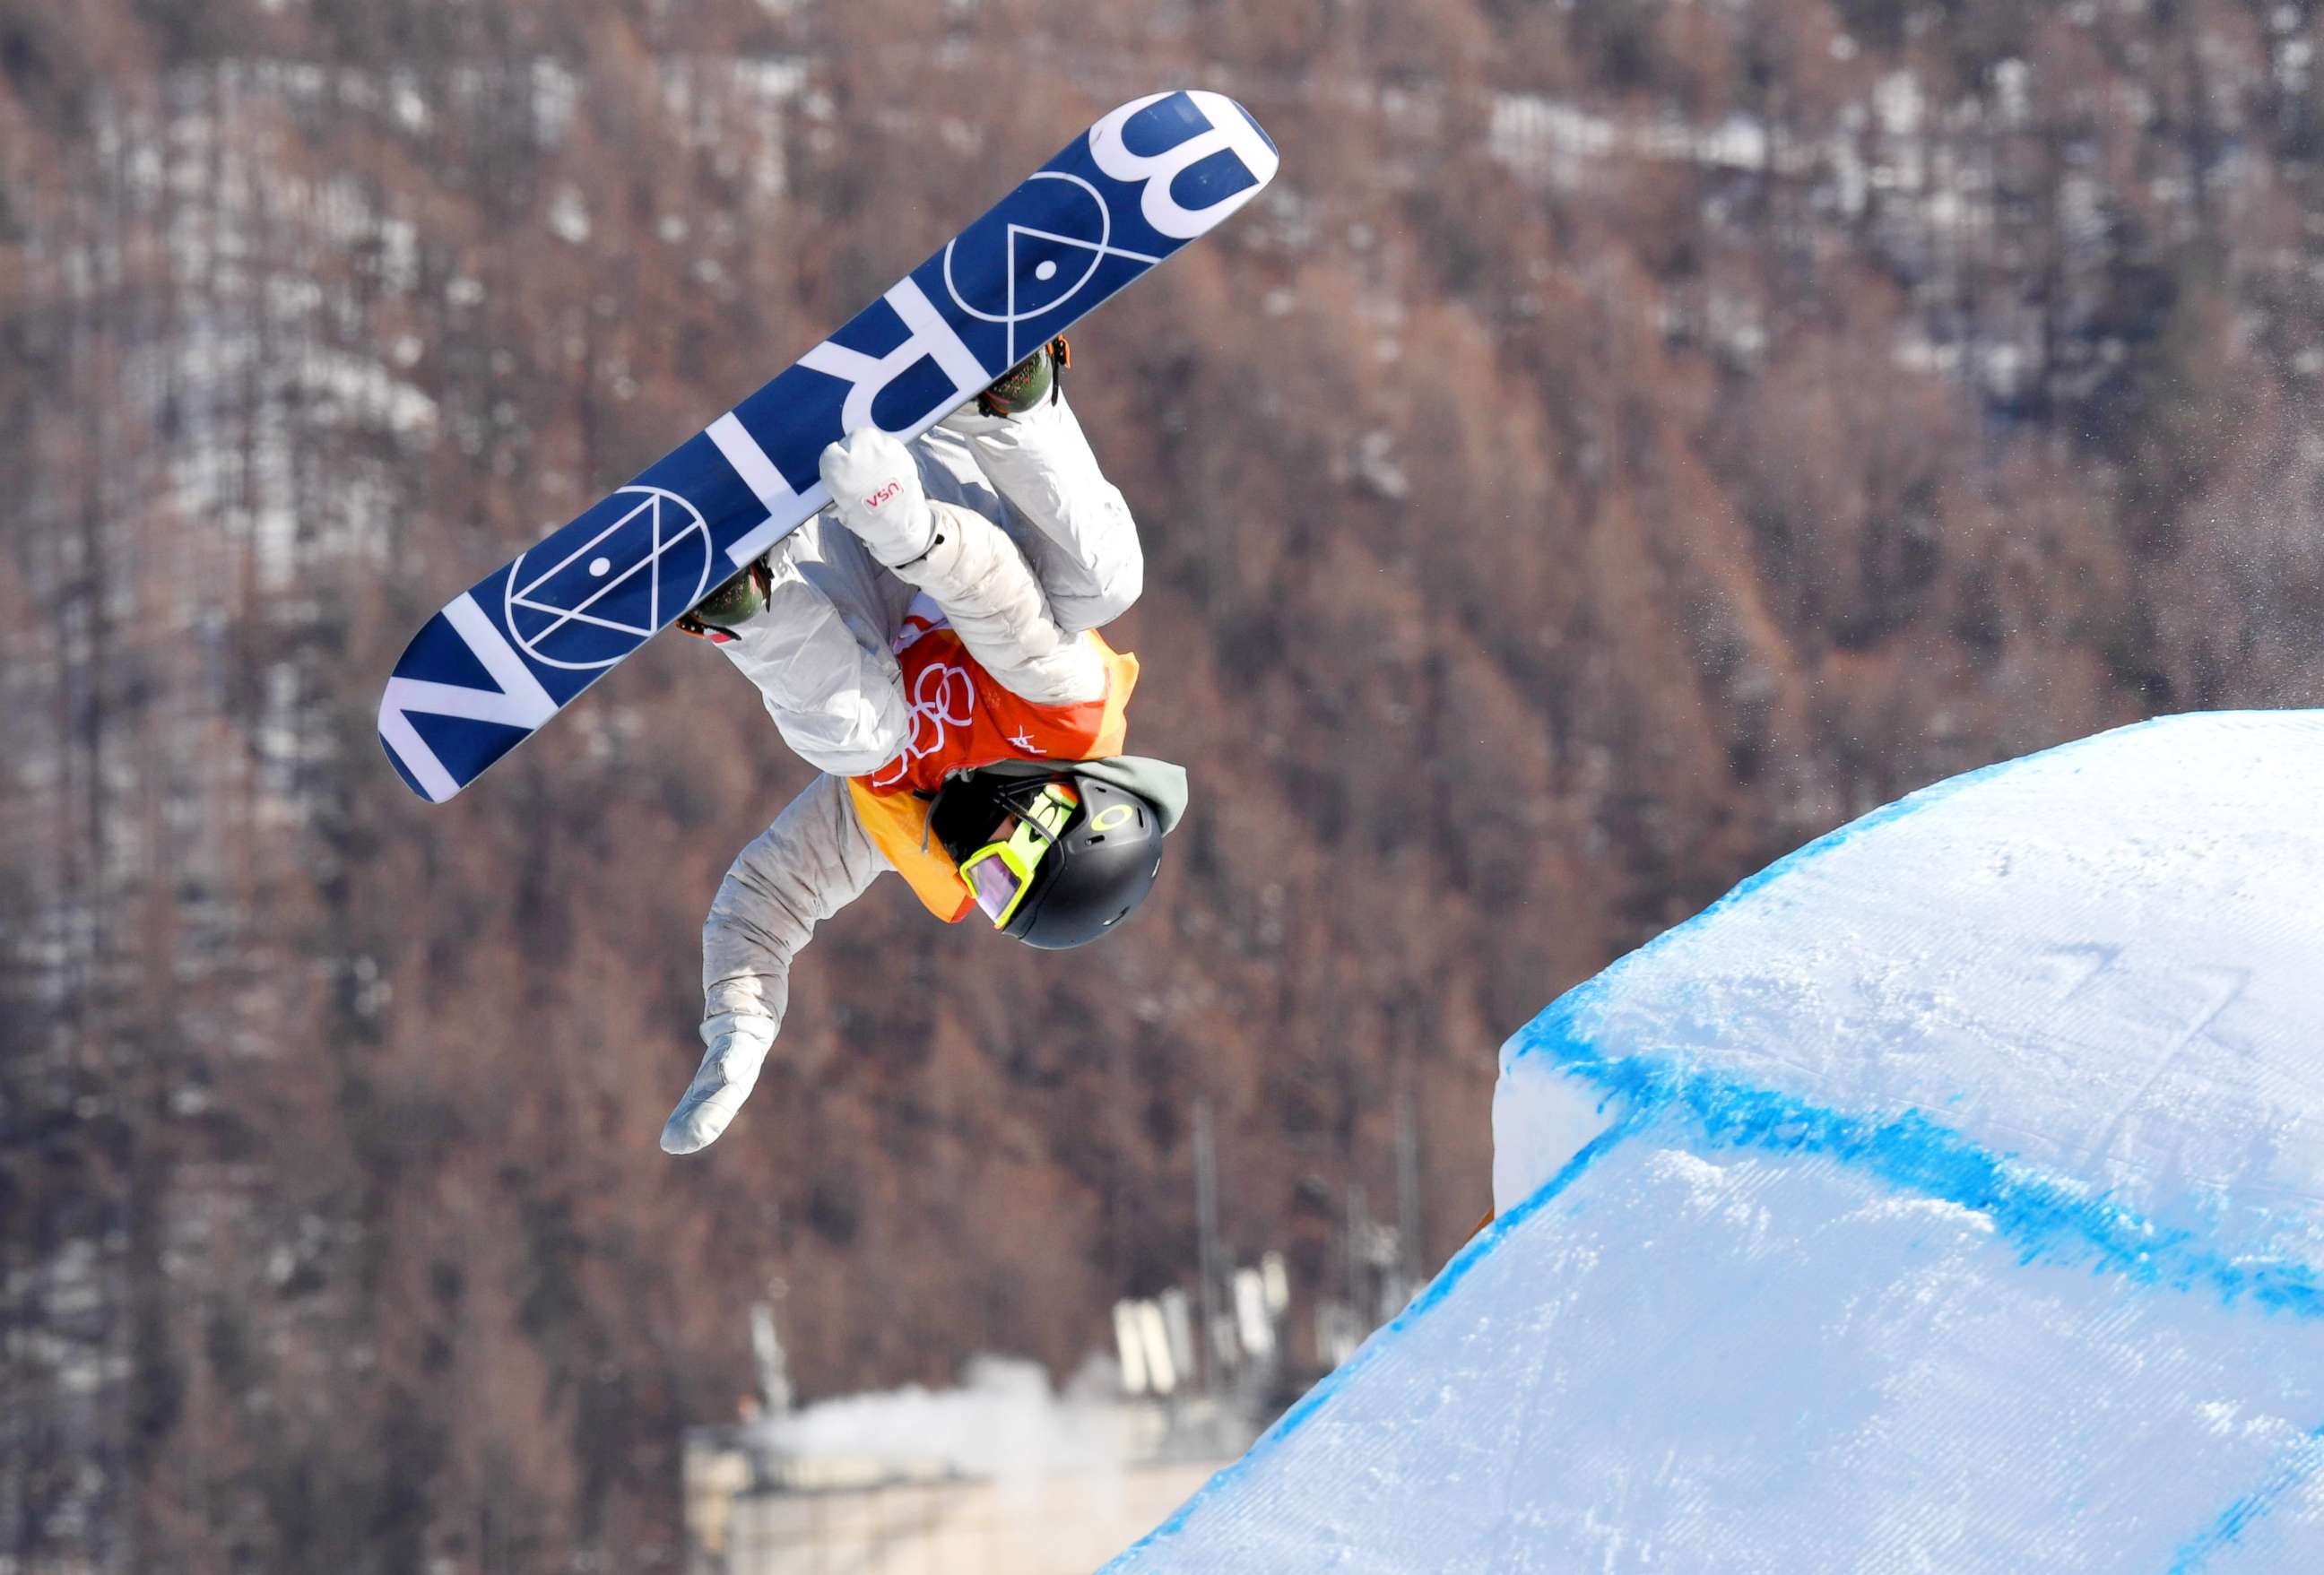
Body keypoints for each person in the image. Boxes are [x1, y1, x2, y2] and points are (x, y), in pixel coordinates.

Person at [659, 341, 1186, 1155]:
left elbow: (772, 894)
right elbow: (997, 594)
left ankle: (748, 602)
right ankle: (1012, 399)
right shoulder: (1066, 715)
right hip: (939, 462)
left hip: (825, 547)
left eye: (987, 889)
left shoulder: (909, 806)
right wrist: (909, 528)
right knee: (1106, 581)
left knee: (860, 739)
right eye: (1010, 866)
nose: (979, 859)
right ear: (1070, 808)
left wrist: (741, 1022)